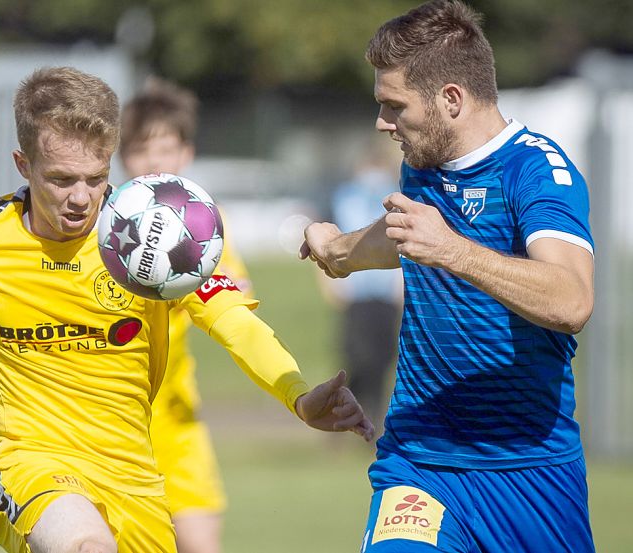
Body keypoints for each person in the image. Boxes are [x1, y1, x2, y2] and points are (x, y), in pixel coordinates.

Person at [0, 66, 375, 553]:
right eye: (61, 178)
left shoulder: (151, 237)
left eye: (95, 179)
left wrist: (298, 393)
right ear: (23, 165)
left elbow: (230, 317)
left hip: (134, 479)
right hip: (29, 464)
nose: (80, 199)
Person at [300, 1, 596, 551]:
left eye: (394, 106)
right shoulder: (424, 158)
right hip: (419, 460)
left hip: (531, 470)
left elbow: (572, 299)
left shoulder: (537, 171)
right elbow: (407, 232)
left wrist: (456, 252)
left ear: (451, 100)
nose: (382, 123)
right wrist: (339, 250)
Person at [119, 77, 252, 553]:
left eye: (166, 148)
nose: (154, 162)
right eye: (139, 149)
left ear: (187, 154)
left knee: (200, 542)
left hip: (177, 418)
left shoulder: (201, 227)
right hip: (111, 423)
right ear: (121, 157)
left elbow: (236, 289)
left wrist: (224, 294)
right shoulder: (107, 226)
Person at [319, 138, 403, 432]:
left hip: (385, 295)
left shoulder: (395, 198)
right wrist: (329, 284)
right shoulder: (343, 197)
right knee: (356, 357)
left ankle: (375, 421)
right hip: (355, 293)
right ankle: (340, 416)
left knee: (381, 359)